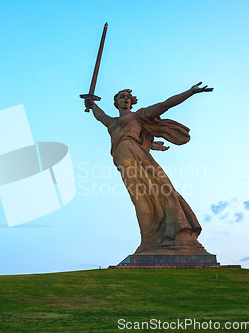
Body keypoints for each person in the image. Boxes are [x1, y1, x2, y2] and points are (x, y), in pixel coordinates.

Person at [85, 83, 213, 254]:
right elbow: (99, 115)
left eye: (128, 97)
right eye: (121, 97)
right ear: (116, 102)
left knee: (162, 187)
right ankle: (150, 239)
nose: (125, 99)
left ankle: (175, 232)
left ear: (132, 102)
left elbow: (165, 104)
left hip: (137, 154)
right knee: (140, 198)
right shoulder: (112, 123)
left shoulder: (138, 116)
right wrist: (91, 103)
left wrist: (190, 92)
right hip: (123, 158)